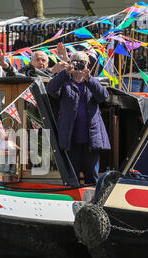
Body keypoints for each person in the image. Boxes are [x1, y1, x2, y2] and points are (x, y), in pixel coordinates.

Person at [46, 51, 110, 185]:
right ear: (71, 63)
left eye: (83, 62)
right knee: (72, 177)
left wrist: (89, 79)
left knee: (92, 176)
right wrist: (65, 72)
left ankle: (92, 204)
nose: (80, 65)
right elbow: (50, 89)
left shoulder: (92, 81)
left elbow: (103, 96)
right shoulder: (65, 81)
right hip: (71, 138)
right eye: (77, 62)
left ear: (88, 64)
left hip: (91, 138)